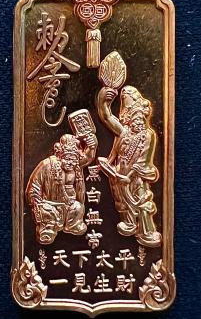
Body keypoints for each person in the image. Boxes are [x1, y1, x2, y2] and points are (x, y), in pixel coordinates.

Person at [97, 85, 162, 247]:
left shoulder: (148, 135)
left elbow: (143, 160)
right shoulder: (124, 132)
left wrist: (129, 176)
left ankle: (146, 232)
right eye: (133, 117)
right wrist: (103, 101)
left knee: (141, 200)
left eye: (139, 117)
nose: (137, 121)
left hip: (136, 176)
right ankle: (129, 223)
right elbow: (107, 117)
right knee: (122, 201)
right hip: (119, 175)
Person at [26, 131, 97, 244]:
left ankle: (72, 225)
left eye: (73, 159)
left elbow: (88, 157)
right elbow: (34, 186)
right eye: (67, 159)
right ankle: (48, 229)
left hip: (69, 203)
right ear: (60, 156)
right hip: (50, 204)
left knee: (78, 207)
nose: (70, 162)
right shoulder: (47, 165)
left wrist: (92, 146)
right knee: (47, 213)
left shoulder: (76, 167)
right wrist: (37, 202)